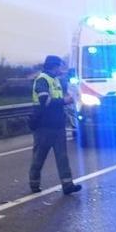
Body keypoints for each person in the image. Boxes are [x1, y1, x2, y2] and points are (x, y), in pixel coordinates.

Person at [29, 55, 81, 195]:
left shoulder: (55, 80)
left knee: (62, 157)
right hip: (43, 126)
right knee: (39, 157)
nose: (61, 69)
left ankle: (67, 185)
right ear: (54, 66)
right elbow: (44, 101)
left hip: (57, 125)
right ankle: (34, 184)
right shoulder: (42, 80)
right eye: (60, 66)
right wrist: (65, 101)